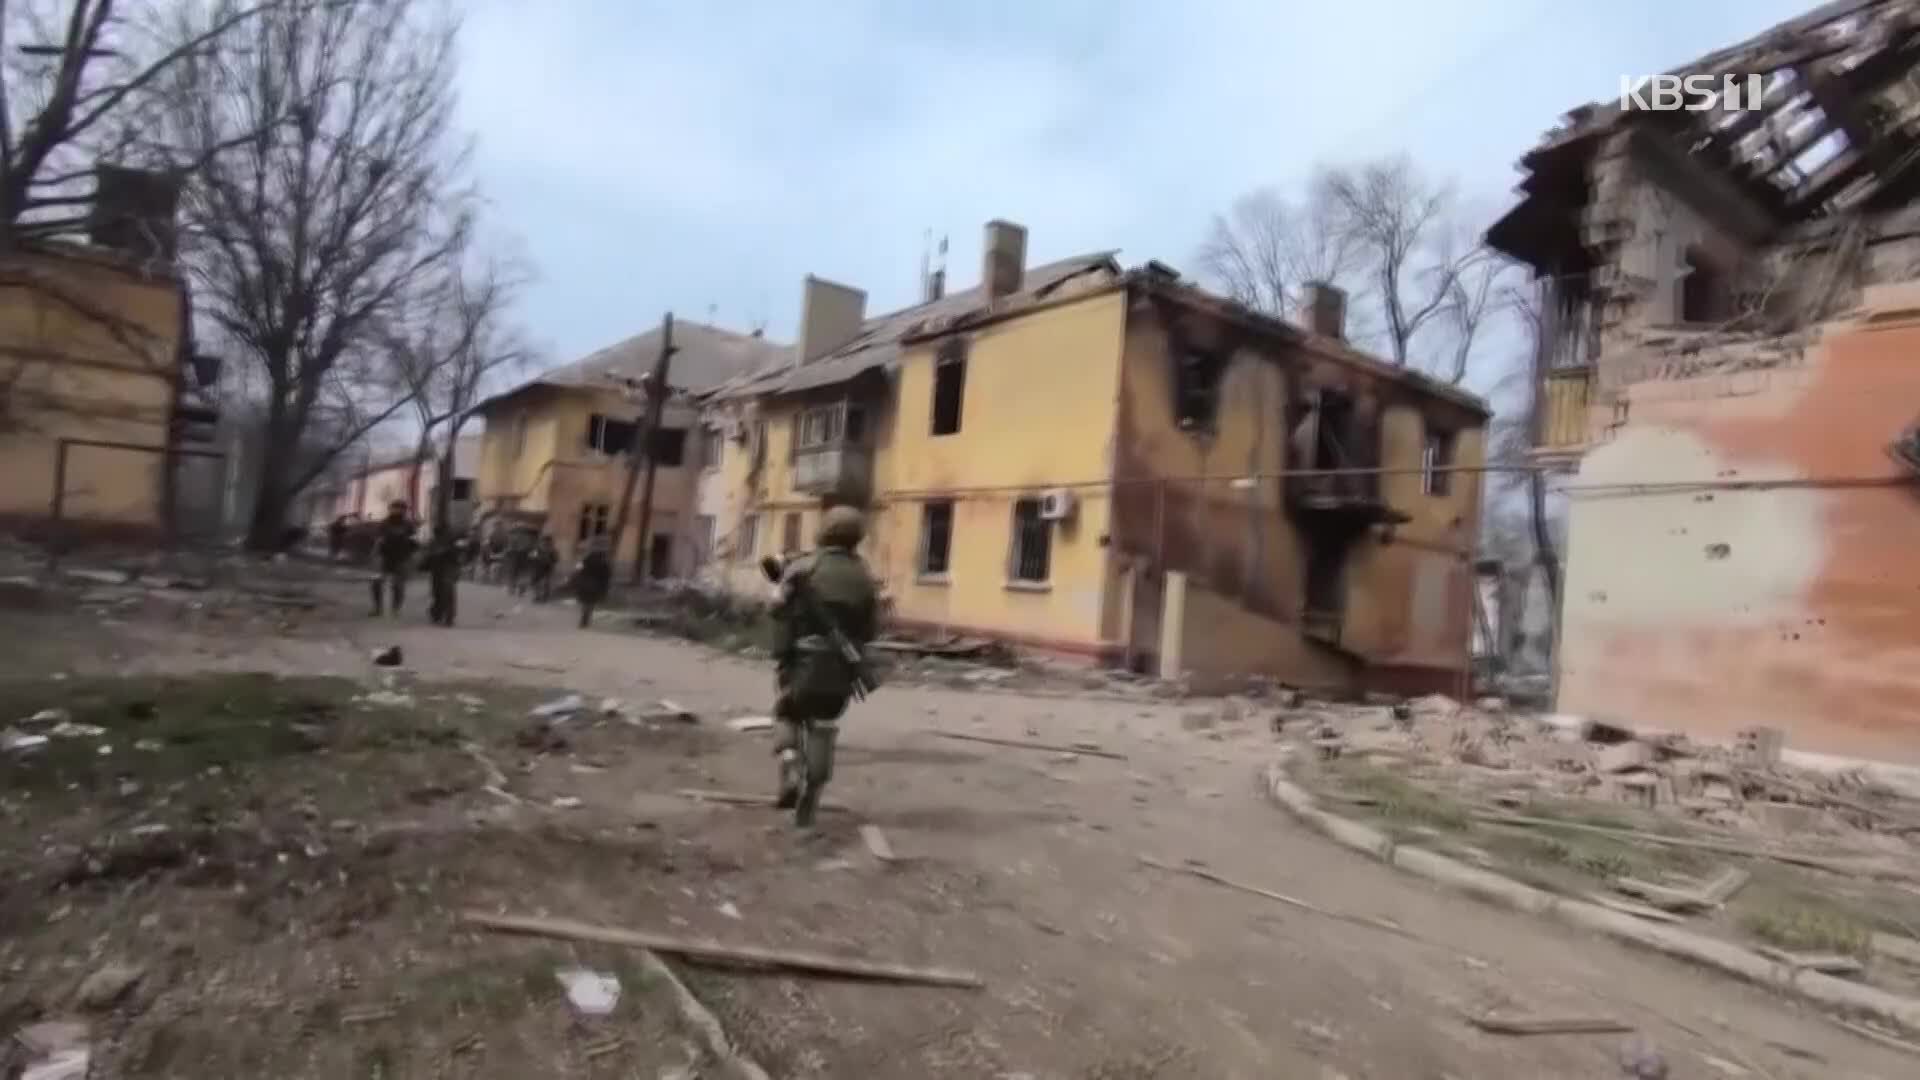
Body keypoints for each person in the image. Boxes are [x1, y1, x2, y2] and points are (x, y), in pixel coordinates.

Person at [769, 506, 879, 827]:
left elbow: (779, 612)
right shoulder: (865, 575)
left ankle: (789, 761)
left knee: (786, 710)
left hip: (802, 661)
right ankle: (813, 790)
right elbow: (870, 630)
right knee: (825, 721)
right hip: (844, 667)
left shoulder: (804, 567)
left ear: (825, 529)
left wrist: (782, 652)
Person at [370, 501, 418, 617]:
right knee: (376, 582)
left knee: (398, 585)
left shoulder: (409, 525)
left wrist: (412, 554)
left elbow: (415, 541)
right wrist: (375, 554)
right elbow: (378, 539)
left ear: (404, 510)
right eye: (394, 508)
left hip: (402, 557)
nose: (397, 511)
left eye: (400, 509)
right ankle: (377, 608)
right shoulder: (384, 523)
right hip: (384, 556)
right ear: (390, 509)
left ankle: (396, 609)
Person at [572, 535, 612, 629]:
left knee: (586, 601)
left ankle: (584, 617)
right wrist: (605, 587)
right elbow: (606, 575)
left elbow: (578, 569)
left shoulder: (586, 559)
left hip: (585, 583)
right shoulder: (604, 562)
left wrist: (577, 579)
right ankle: (586, 617)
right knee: (590, 602)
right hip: (595, 584)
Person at [423, 532, 461, 626]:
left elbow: (427, 561)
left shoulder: (439, 547)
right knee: (442, 594)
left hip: (442, 573)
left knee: (441, 593)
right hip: (442, 573)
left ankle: (443, 615)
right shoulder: (447, 547)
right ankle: (444, 615)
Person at [528, 534, 560, 602]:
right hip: (538, 569)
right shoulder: (538, 549)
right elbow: (531, 557)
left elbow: (556, 559)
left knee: (544, 583)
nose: (545, 543)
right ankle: (538, 596)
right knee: (536, 583)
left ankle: (542, 597)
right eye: (544, 541)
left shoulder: (552, 550)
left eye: (546, 541)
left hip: (547, 569)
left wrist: (550, 561)